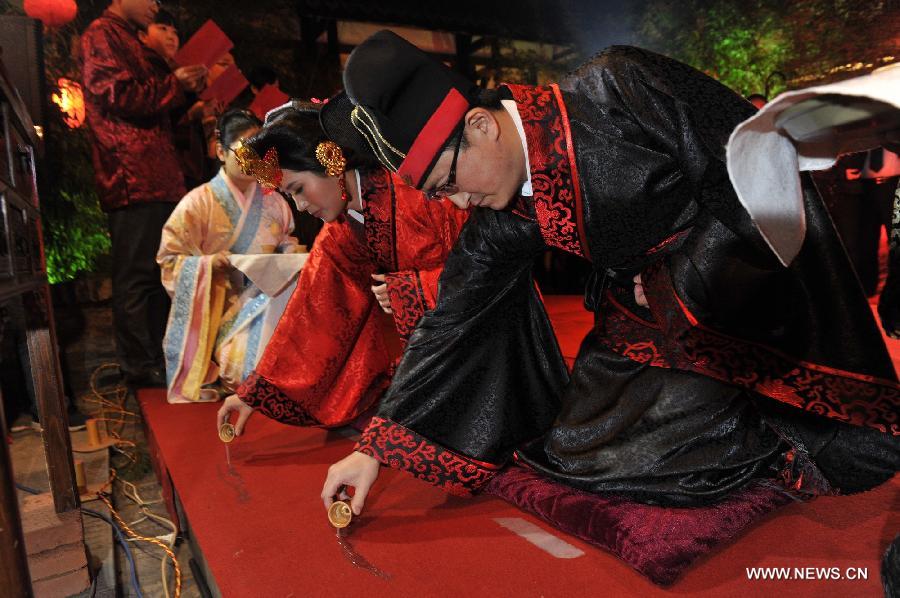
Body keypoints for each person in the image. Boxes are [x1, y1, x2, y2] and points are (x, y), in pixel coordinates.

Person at [322, 31, 898, 517]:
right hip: (640, 316)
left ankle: (772, 431)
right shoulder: (502, 211)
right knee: (574, 449)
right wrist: (375, 446)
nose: (457, 205)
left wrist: (681, 278)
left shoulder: (619, 85)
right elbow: (451, 317)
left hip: (738, 290)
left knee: (673, 441)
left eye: (448, 184)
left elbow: (748, 171)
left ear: (480, 126)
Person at [214, 98, 469, 434]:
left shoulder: (418, 191)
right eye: (291, 197)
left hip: (479, 345)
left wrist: (414, 291)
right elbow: (314, 313)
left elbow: (485, 269)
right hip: (431, 356)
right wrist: (254, 393)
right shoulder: (340, 233)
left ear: (332, 161)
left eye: (299, 189)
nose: (301, 206)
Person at [81, 0, 207, 387]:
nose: (155, 5)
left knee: (158, 272)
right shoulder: (101, 34)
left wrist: (185, 95)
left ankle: (157, 356)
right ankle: (139, 364)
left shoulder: (126, 40)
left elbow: (154, 108)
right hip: (132, 174)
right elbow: (116, 95)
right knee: (138, 275)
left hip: (157, 173)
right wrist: (176, 85)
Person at [158, 110, 303, 403]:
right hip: (227, 312)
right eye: (245, 150)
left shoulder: (274, 200)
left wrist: (290, 253)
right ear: (221, 152)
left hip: (276, 300)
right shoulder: (196, 204)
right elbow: (170, 260)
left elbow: (285, 240)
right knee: (250, 367)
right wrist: (212, 264)